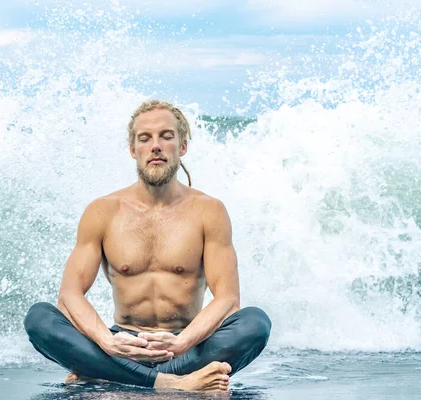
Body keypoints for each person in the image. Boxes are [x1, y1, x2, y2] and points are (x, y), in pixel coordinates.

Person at [24, 100, 271, 392]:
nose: (156, 146)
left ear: (182, 147)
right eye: (145, 138)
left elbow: (228, 299)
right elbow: (69, 295)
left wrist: (182, 342)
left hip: (185, 347)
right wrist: (108, 342)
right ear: (133, 150)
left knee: (256, 322)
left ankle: (108, 374)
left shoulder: (210, 211)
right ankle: (172, 383)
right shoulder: (103, 211)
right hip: (123, 344)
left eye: (166, 136)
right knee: (39, 318)